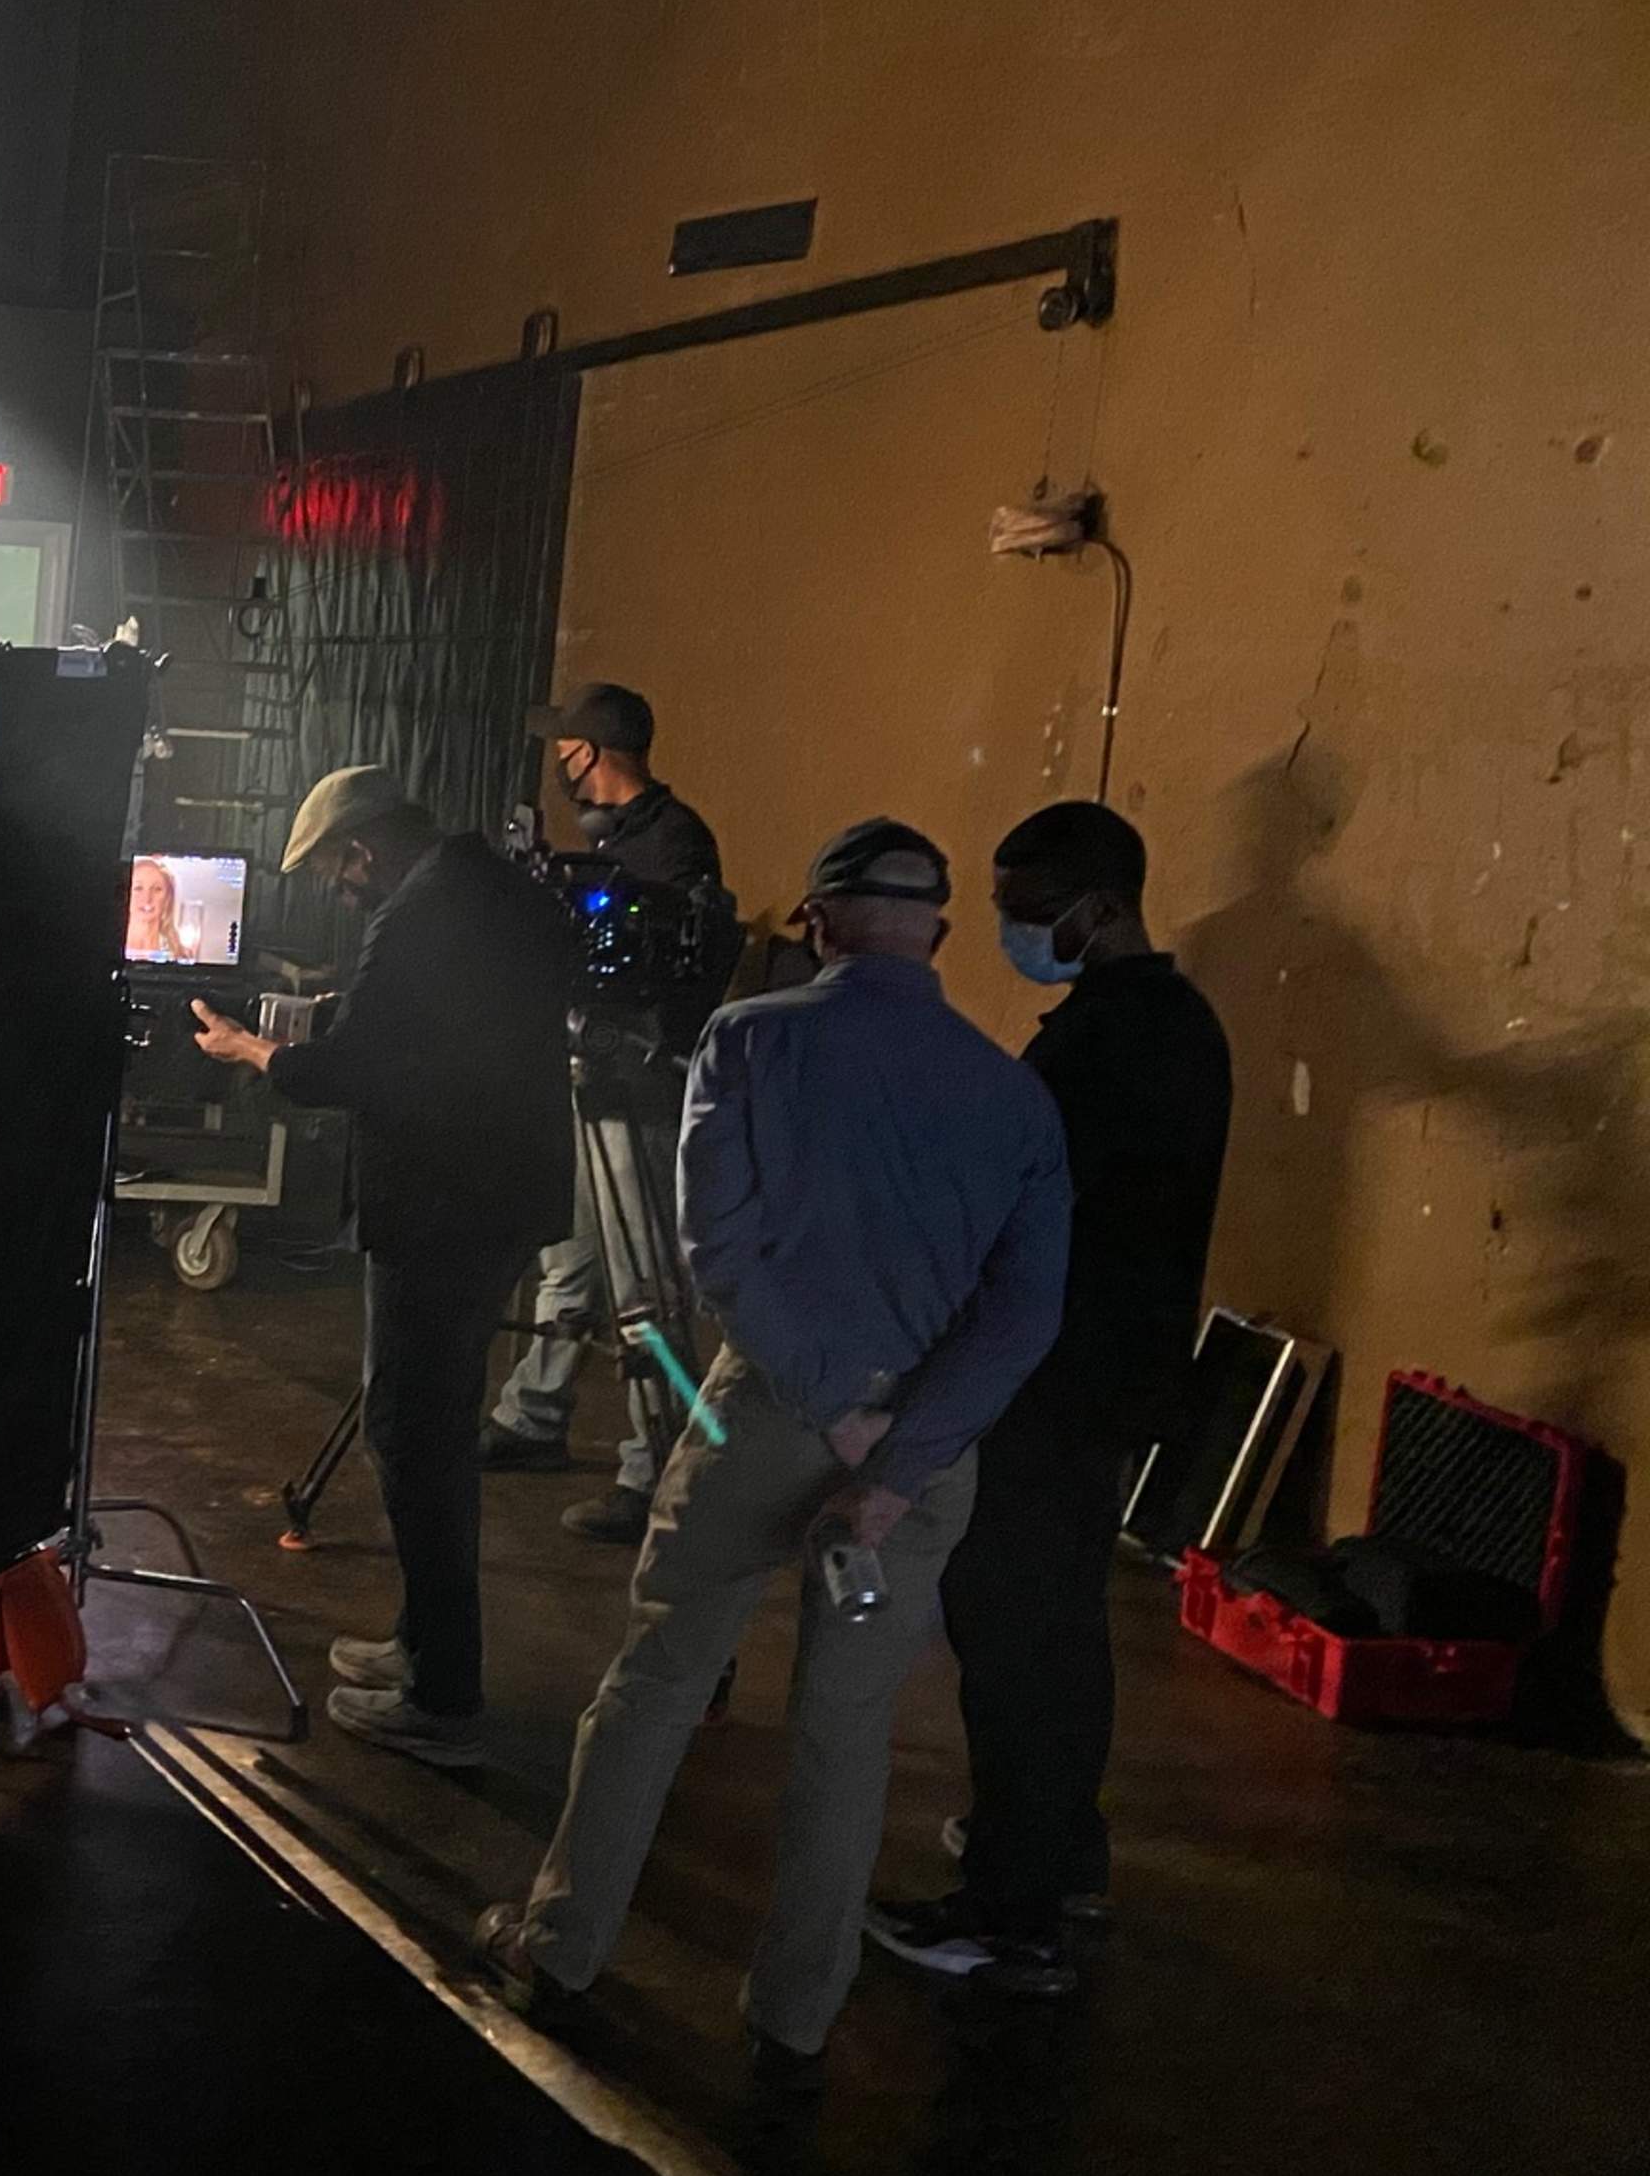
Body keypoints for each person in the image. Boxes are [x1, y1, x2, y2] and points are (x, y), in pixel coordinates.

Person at [481, 819, 1068, 2084]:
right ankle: (796, 2016)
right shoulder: (1013, 1095)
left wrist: (825, 1403)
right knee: (847, 1737)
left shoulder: (749, 1042)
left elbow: (717, 1249)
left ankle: (561, 1941)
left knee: (659, 1680)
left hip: (761, 1415)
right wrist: (898, 1458)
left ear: (814, 922)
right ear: (946, 937)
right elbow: (1024, 1314)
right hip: (918, 1454)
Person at [867, 802, 1232, 1994]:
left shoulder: (1107, 1048)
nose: (1017, 932)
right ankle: (1059, 1855)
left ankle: (1009, 1911)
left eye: (1029, 912)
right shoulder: (1179, 1027)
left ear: (1098, 904)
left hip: (1052, 1375)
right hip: (1109, 1377)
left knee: (1016, 1629)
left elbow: (1031, 1210)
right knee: (1064, 1622)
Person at [192, 768, 576, 1764]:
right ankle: (420, 1645)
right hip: (498, 1203)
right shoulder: (495, 889)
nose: (336, 890)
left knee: (414, 1436)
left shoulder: (420, 913)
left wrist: (251, 1051)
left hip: (440, 1212)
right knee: (426, 1426)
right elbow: (439, 1035)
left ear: (361, 849)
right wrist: (343, 1012)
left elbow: (359, 1071)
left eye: (332, 871)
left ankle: (444, 1695)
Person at [482, 681, 736, 1545]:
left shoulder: (673, 845)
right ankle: (534, 1415)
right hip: (589, 1072)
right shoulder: (610, 841)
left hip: (640, 1085)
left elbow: (672, 962)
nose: (558, 763)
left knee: (646, 1290)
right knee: (572, 1262)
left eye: (565, 749)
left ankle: (658, 1465)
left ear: (589, 754)